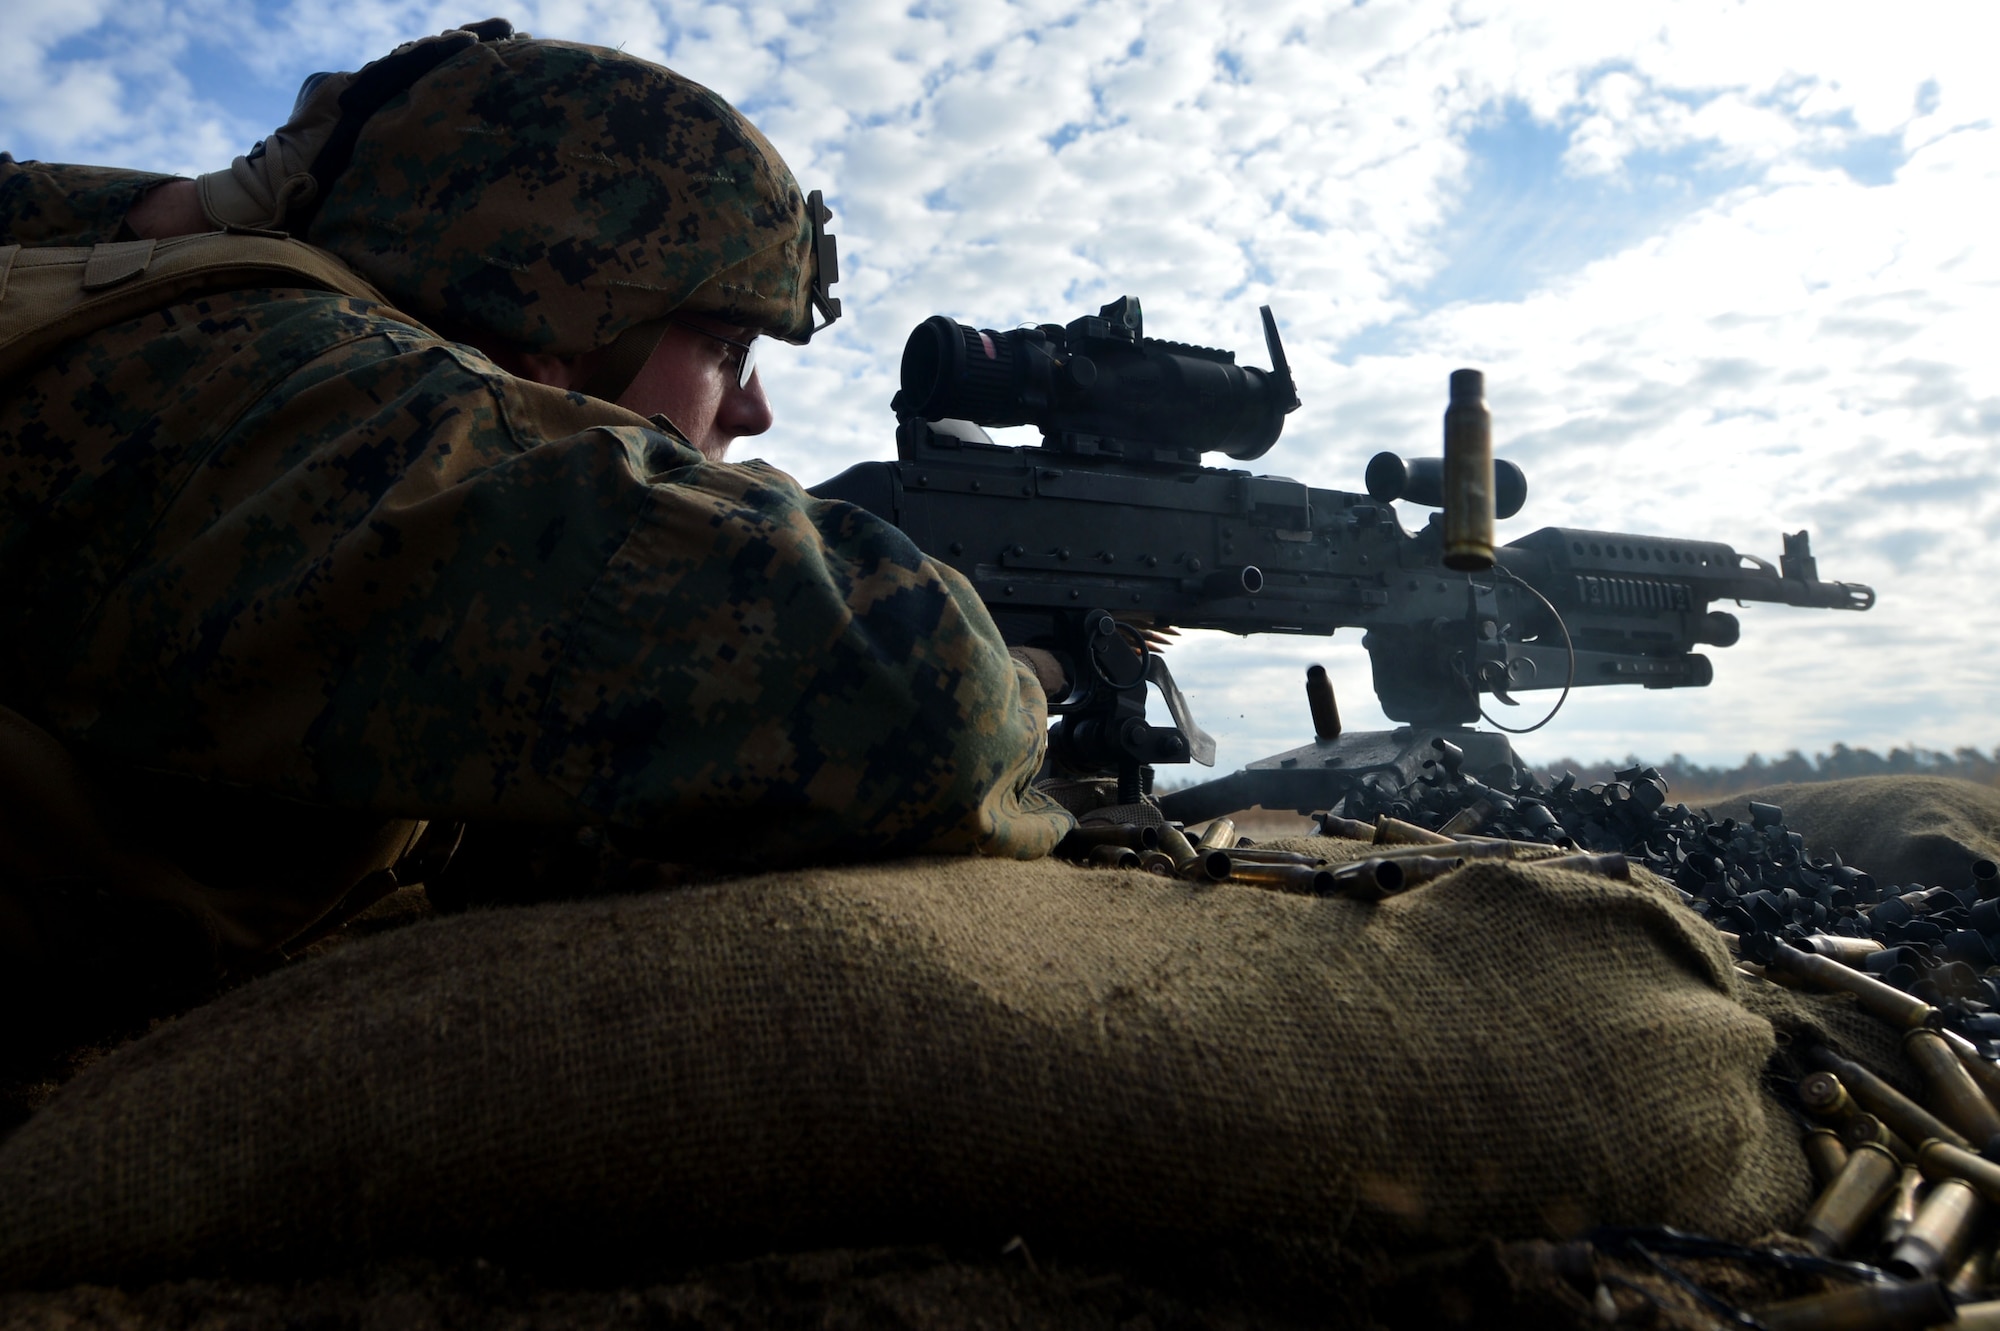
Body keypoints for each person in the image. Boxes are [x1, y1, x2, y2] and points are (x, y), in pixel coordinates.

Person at [0, 21, 1073, 1003]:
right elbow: (919, 702)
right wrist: (1038, 674)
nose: (753, 408)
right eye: (725, 345)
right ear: (565, 313)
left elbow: (517, 787)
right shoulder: (308, 398)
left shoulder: (200, 334)